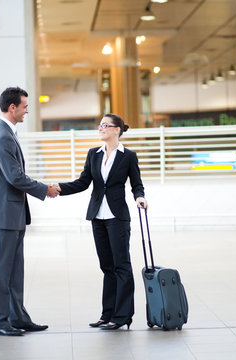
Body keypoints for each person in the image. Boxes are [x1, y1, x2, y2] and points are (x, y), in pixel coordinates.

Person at [0, 86, 60, 336]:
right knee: (0, 270)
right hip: (3, 215)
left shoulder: (6, 133)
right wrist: (44, 188)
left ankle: (18, 317)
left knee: (14, 270)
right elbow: (14, 177)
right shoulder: (2, 136)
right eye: (24, 106)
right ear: (12, 108)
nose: (27, 110)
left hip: (10, 214)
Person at [57, 113, 147, 330]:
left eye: (105, 125)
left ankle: (123, 315)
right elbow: (82, 183)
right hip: (97, 216)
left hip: (117, 217)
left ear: (117, 129)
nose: (101, 128)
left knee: (121, 266)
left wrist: (140, 197)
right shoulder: (93, 154)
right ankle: (107, 314)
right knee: (107, 266)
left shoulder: (128, 156)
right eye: (100, 125)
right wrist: (58, 189)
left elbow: (136, 183)